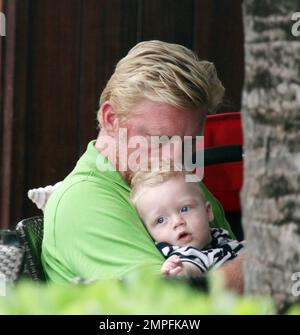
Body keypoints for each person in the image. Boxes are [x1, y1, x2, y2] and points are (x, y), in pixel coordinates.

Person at [41, 40, 244, 291]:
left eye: (190, 143)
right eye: (160, 139)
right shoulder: (83, 200)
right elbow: (168, 308)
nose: (177, 159)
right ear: (111, 119)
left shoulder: (179, 181)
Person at [130, 168, 244, 278]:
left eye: (185, 209)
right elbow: (191, 266)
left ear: (208, 212)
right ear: (149, 233)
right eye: (161, 220)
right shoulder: (180, 255)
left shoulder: (218, 236)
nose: (177, 222)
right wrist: (181, 270)